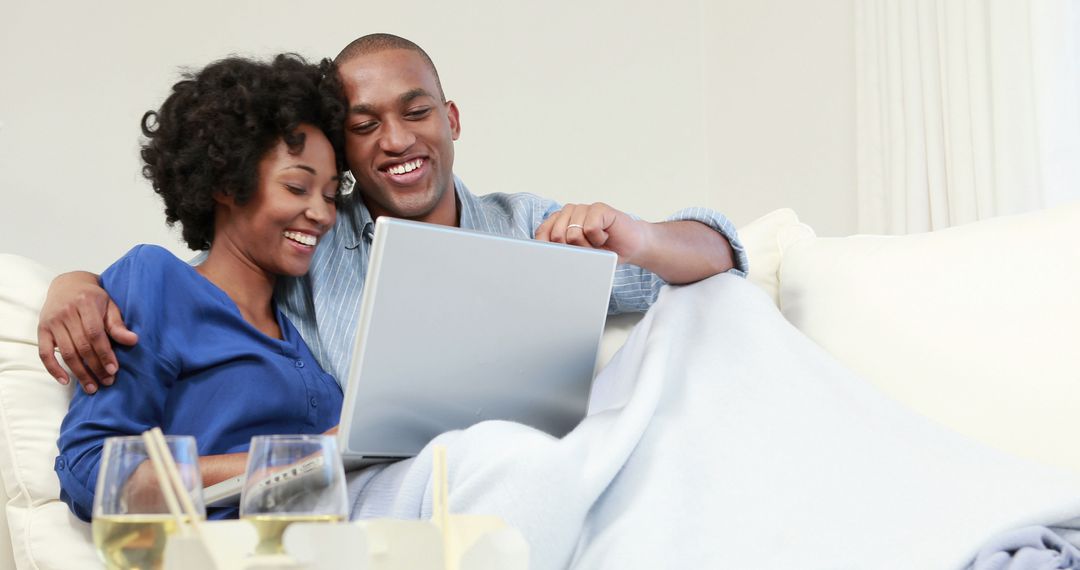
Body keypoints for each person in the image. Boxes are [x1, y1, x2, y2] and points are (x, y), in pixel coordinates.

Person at [38, 33, 749, 393]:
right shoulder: (310, 241)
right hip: (384, 490)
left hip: (532, 460)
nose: (399, 140)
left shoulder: (528, 224)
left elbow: (716, 254)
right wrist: (74, 285)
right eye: (366, 124)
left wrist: (639, 236)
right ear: (342, 148)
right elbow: (203, 284)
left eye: (416, 113)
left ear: (452, 119)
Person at [54, 53, 348, 521]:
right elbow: (91, 470)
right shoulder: (158, 281)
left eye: (331, 195)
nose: (323, 213)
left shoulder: (301, 326)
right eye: (297, 188)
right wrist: (303, 458)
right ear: (227, 185)